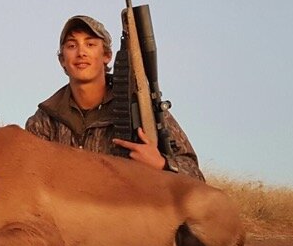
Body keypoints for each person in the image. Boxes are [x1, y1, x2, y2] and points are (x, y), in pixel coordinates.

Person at [25, 15, 204, 181]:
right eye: (72, 46)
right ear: (62, 59)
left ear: (107, 56)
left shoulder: (140, 108)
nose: (81, 53)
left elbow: (196, 176)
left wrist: (163, 164)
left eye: (90, 44)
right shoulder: (45, 119)